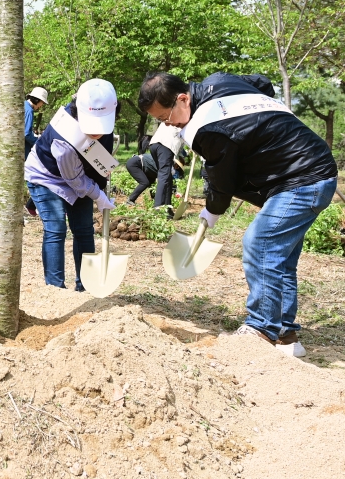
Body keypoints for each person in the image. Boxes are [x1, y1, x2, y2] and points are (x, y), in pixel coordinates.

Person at [138, 71, 338, 357]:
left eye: (166, 117)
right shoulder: (219, 82)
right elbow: (262, 83)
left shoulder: (208, 128)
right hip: (309, 169)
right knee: (280, 258)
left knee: (260, 244)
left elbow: (223, 180)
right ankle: (285, 335)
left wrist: (212, 210)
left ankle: (261, 330)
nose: (167, 125)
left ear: (183, 98)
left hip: (303, 178)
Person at [25, 79, 119, 291]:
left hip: (78, 176)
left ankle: (85, 285)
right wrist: (98, 197)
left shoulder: (107, 118)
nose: (96, 133)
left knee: (84, 229)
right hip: (46, 176)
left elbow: (98, 160)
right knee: (56, 227)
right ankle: (55, 288)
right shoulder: (64, 139)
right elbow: (75, 180)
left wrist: (101, 188)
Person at [149, 121, 185, 216]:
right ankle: (158, 207)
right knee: (164, 175)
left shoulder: (170, 115)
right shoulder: (185, 119)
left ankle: (168, 208)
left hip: (154, 144)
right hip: (165, 145)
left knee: (167, 177)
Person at [24, 86, 48, 216]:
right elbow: (26, 134)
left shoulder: (23, 106)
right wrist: (38, 141)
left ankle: (32, 205)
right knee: (36, 176)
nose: (41, 106)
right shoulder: (29, 111)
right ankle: (34, 205)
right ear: (37, 100)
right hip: (25, 150)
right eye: (42, 103)